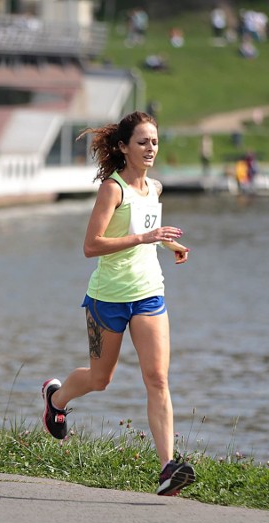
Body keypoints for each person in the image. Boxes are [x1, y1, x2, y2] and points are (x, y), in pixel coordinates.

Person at [41, 111, 196, 497]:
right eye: (142, 142)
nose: (150, 149)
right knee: (100, 379)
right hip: (107, 299)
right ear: (124, 147)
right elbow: (91, 246)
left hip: (149, 294)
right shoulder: (113, 190)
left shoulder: (154, 189)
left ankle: (166, 468)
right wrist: (146, 238)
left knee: (157, 379)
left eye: (155, 142)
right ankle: (55, 399)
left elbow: (144, 232)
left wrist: (168, 243)